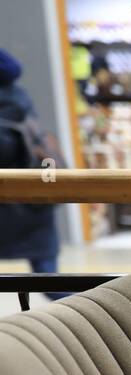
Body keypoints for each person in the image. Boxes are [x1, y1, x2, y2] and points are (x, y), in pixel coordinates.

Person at [0, 48, 64, 291]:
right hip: (34, 205)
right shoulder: (18, 95)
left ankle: (100, 322)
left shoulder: (8, 104)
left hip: (18, 210)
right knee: (51, 282)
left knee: (52, 285)